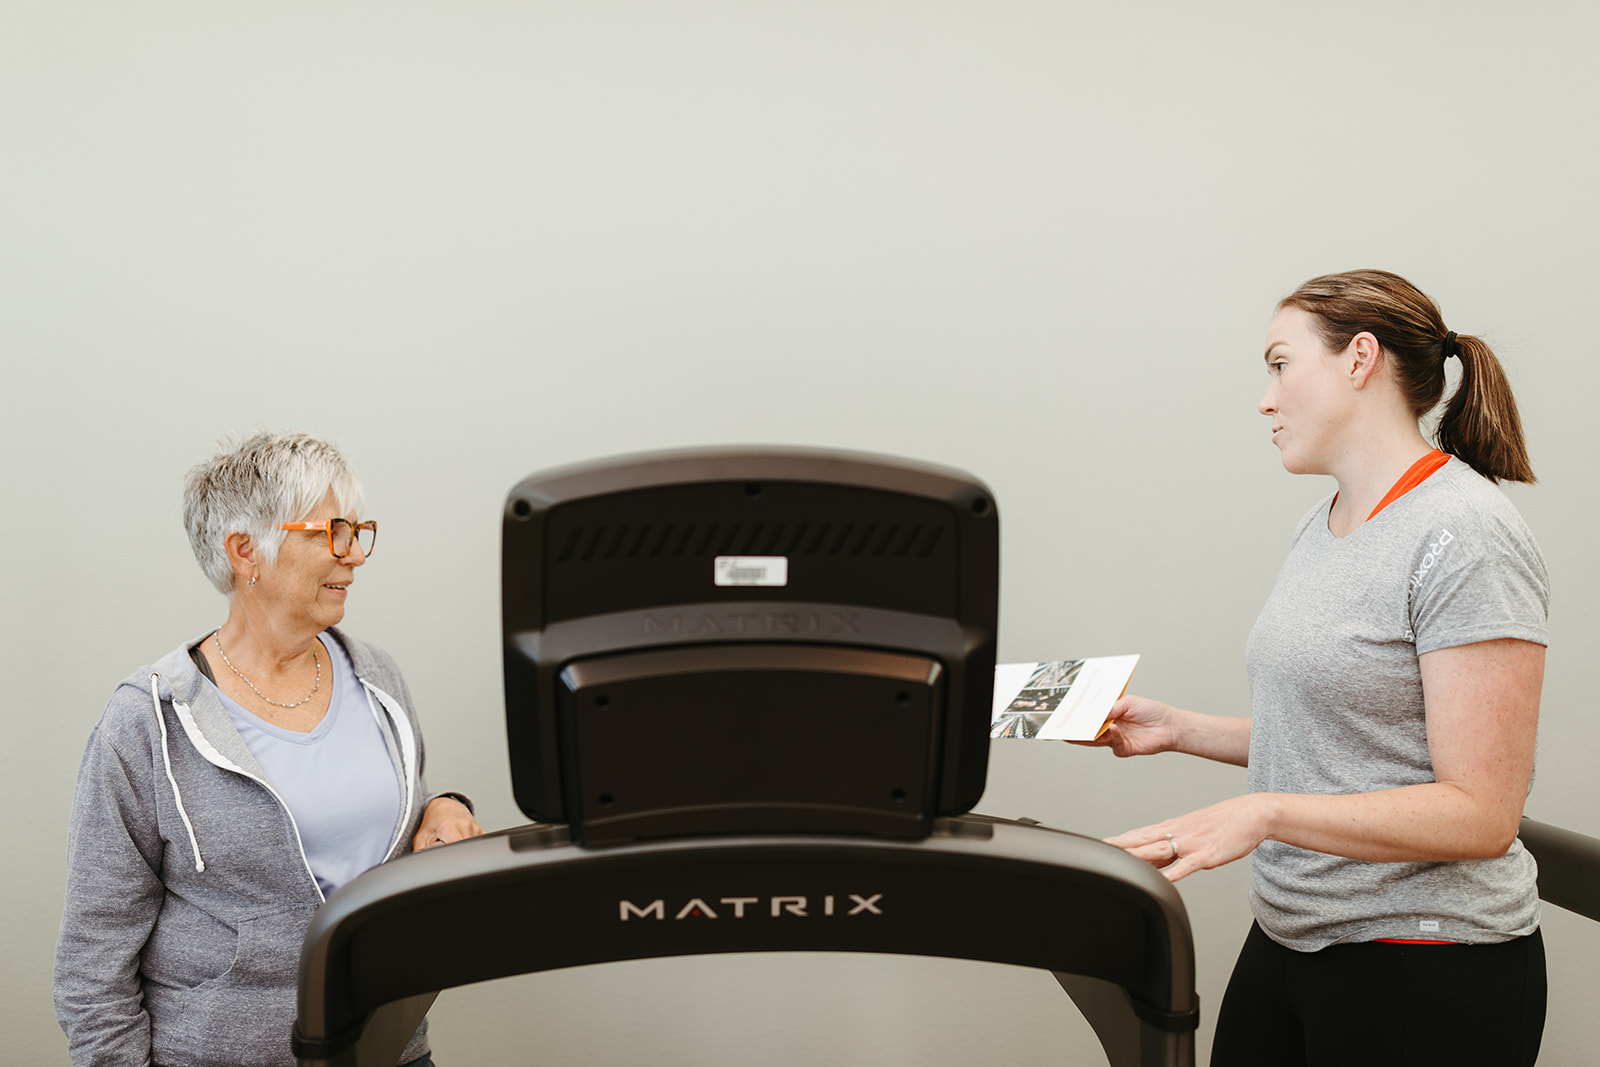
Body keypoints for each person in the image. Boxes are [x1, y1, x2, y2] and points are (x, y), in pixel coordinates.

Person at [1086, 271, 1548, 1066]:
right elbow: (1350, 734)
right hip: (1293, 936)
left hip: (1423, 959)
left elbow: (1481, 813)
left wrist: (1265, 813)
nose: (1265, 399)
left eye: (1278, 364)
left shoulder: (1465, 533)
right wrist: (1178, 729)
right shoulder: (1324, 520)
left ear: (1359, 358)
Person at [54, 432, 485, 1067]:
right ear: (244, 551)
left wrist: (443, 806)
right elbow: (93, 963)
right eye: (329, 533)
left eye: (357, 530)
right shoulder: (146, 721)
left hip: (391, 1048)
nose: (354, 555)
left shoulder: (377, 678)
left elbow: (373, 825)